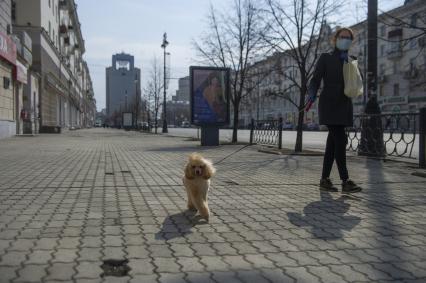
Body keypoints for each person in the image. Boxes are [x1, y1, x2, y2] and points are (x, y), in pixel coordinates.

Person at [307, 27, 362, 194]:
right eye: (342, 37)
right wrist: (311, 95)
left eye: (348, 38)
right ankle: (345, 180)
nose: (344, 40)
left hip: (344, 103)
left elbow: (355, 83)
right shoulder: (325, 58)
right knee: (341, 140)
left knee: (332, 144)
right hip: (329, 103)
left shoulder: (352, 60)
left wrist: (350, 66)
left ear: (351, 42)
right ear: (335, 39)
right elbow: (315, 79)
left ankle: (324, 180)